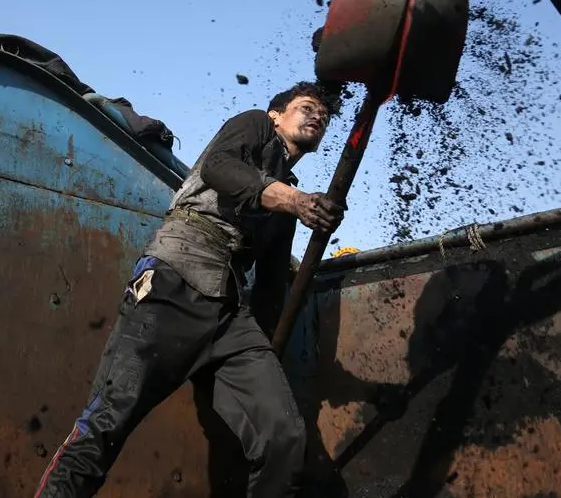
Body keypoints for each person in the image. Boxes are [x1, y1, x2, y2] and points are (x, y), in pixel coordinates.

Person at [33, 81, 346, 498]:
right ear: (276, 115)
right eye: (307, 108)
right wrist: (295, 200)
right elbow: (219, 166)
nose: (316, 117)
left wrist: (267, 350)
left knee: (284, 437)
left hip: (231, 316)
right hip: (174, 281)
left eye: (324, 118)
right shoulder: (254, 126)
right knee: (108, 422)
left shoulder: (288, 201)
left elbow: (271, 286)